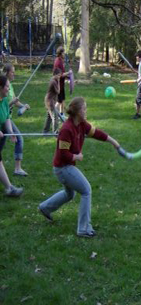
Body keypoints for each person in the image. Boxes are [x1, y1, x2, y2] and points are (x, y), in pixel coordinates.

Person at [38, 96, 122, 238]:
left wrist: (113, 142)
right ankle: (83, 228)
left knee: (70, 194)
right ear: (77, 112)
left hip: (66, 166)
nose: (86, 111)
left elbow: (97, 133)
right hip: (63, 168)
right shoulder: (66, 129)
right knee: (86, 190)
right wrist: (76, 157)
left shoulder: (82, 124)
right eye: (84, 108)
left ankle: (44, 208)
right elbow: (63, 153)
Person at [3, 63, 30, 176]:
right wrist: (12, 103)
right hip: (3, 118)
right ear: (6, 73)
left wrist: (23, 106)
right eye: (12, 72)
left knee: (1, 143)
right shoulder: (3, 86)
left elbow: (14, 100)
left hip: (7, 118)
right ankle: (17, 169)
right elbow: (3, 106)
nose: (14, 74)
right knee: (19, 139)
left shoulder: (10, 86)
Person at [0, 75, 23, 196]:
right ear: (0, 87)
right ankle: (9, 188)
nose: (9, 89)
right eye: (7, 87)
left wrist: (10, 131)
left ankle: (9, 188)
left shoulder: (3, 101)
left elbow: (7, 117)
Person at [53, 46, 71, 117]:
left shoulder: (61, 60)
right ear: (60, 53)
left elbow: (62, 73)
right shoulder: (58, 62)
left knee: (62, 100)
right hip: (58, 84)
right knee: (58, 101)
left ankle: (61, 114)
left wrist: (68, 78)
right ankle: (52, 113)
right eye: (63, 53)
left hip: (61, 84)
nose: (64, 54)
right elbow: (59, 74)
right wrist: (68, 73)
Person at [43, 68, 61, 133]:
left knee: (49, 116)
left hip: (50, 100)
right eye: (58, 75)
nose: (59, 77)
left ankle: (45, 131)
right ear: (55, 74)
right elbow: (58, 91)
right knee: (55, 116)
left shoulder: (53, 80)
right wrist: (59, 82)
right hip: (50, 101)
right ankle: (55, 132)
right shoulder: (53, 81)